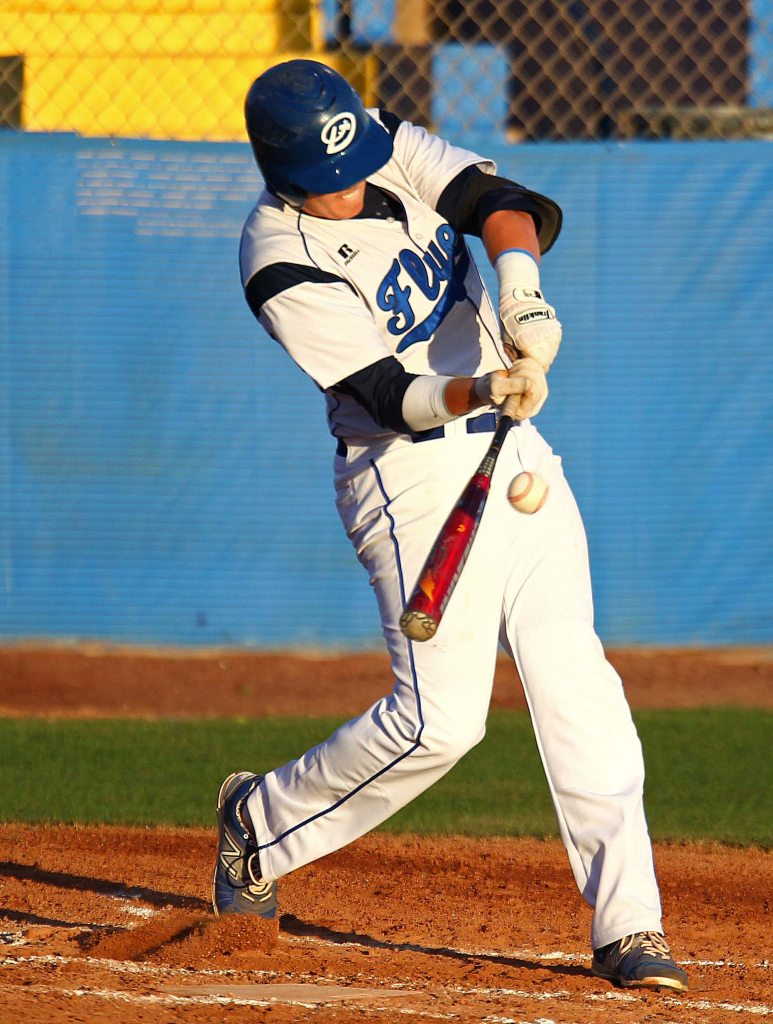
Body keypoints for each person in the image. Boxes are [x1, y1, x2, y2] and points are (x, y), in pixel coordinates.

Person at [212, 58, 688, 993]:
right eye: (327, 178)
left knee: (575, 681)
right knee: (438, 724)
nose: (351, 184)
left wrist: (520, 292)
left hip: (513, 451)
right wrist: (483, 384)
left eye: (355, 162)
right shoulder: (276, 256)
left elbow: (498, 199)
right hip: (408, 479)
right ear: (281, 173)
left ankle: (629, 924)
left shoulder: (382, 139)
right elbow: (386, 397)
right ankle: (259, 824)